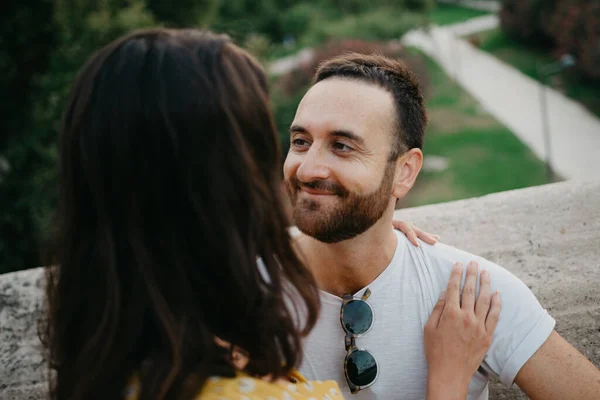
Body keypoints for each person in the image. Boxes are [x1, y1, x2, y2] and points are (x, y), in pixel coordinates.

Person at [42, 28, 500, 400]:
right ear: (222, 189)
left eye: (342, 146)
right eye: (293, 141)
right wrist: (448, 381)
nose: (305, 167)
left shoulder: (100, 356)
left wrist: (368, 224)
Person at [284, 52, 600, 399]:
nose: (308, 169)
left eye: (342, 147)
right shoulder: (245, 289)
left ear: (404, 172)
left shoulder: (471, 298)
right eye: (301, 142)